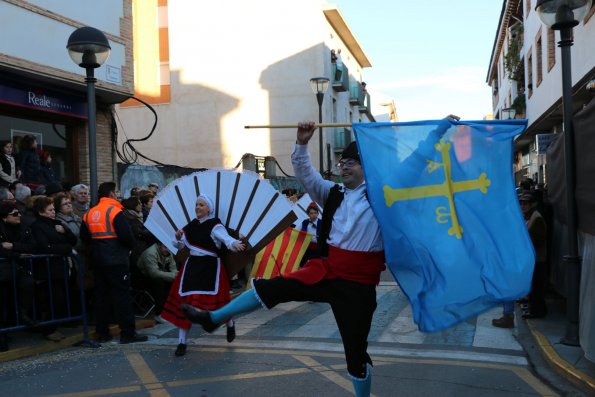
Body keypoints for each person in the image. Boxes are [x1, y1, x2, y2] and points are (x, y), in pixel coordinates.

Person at [181, 121, 384, 397]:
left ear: (365, 168)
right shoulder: (332, 193)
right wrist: (301, 142)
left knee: (356, 355)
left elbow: (413, 173)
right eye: (342, 162)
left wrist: (436, 134)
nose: (344, 167)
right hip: (327, 271)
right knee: (270, 287)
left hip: (358, 286)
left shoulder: (382, 198)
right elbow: (305, 174)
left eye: (352, 163)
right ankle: (213, 318)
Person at [162, 194, 246, 357]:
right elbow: (180, 245)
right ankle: (181, 342)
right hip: (192, 266)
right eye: (196, 205)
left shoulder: (215, 225)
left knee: (217, 303)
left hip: (211, 267)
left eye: (201, 205)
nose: (198, 207)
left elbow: (225, 239)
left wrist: (234, 243)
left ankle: (230, 323)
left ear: (209, 209)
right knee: (184, 304)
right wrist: (178, 238)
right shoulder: (191, 225)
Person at [80, 182, 148, 344]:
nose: (118, 194)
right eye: (116, 192)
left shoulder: (89, 213)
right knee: (122, 296)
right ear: (111, 194)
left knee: (101, 296)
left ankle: (102, 332)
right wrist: (129, 249)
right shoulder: (115, 211)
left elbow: (84, 237)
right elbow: (127, 236)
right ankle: (128, 333)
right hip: (117, 260)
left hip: (99, 260)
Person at [492, 192, 548, 328]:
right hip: (527, 259)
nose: (523, 206)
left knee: (536, 286)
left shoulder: (536, 218)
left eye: (526, 203)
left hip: (536, 259)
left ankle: (537, 311)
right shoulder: (527, 217)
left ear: (533, 204)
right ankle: (530, 310)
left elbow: (536, 241)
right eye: (521, 203)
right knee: (531, 285)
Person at [30, 196, 78, 341]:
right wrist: (66, 248)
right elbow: (45, 246)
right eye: (49, 210)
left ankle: (55, 325)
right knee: (55, 300)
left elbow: (73, 240)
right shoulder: (37, 226)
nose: (53, 212)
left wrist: (65, 231)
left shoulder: (57, 223)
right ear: (41, 212)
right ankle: (48, 329)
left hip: (62, 267)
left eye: (53, 209)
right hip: (48, 270)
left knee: (62, 299)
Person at [0, 202, 37, 351]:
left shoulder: (23, 227)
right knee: (2, 305)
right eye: (15, 214)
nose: (19, 216)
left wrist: (14, 247)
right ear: (4, 216)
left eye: (19, 213)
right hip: (3, 272)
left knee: (28, 284)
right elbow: (2, 251)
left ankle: (22, 314)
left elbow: (33, 246)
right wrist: (19, 254)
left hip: (16, 269)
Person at [136, 242, 178, 321]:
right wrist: (173, 275)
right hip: (142, 278)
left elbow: (173, 267)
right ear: (159, 245)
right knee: (159, 283)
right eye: (165, 247)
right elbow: (153, 273)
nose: (168, 249)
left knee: (176, 281)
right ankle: (159, 313)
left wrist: (176, 275)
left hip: (160, 274)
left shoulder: (167, 250)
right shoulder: (150, 253)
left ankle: (173, 308)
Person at [299, 202, 321, 268]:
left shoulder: (321, 223)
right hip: (306, 246)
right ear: (308, 214)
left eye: (315, 213)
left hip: (317, 248)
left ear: (318, 213)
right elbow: (297, 230)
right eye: (311, 213)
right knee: (303, 263)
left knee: (315, 264)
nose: (313, 215)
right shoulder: (305, 222)